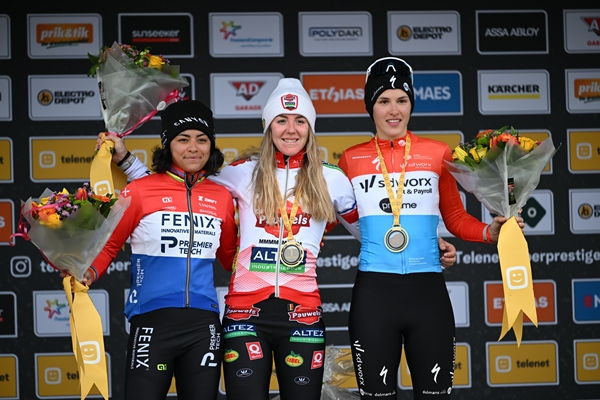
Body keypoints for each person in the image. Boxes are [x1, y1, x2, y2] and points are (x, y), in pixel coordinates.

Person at [110, 78, 457, 400]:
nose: (291, 129)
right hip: (245, 313)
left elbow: (371, 230)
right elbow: (175, 187)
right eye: (281, 120)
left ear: (310, 127)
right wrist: (126, 161)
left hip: (302, 313)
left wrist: (430, 242)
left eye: (300, 120)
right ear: (268, 126)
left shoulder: (333, 179)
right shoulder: (239, 172)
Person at [338, 57, 526, 399]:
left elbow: (455, 217)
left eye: (402, 100)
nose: (393, 110)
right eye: (383, 101)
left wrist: (490, 232)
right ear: (370, 106)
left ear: (411, 104)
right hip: (374, 295)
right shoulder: (350, 159)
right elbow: (334, 217)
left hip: (428, 295)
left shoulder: (437, 153)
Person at [68, 99, 239, 400]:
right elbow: (110, 244)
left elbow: (230, 259)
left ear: (211, 145)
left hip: (204, 324)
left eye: (202, 139)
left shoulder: (221, 196)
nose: (194, 148)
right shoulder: (140, 190)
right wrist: (89, 272)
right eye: (183, 139)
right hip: (152, 319)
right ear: (167, 144)